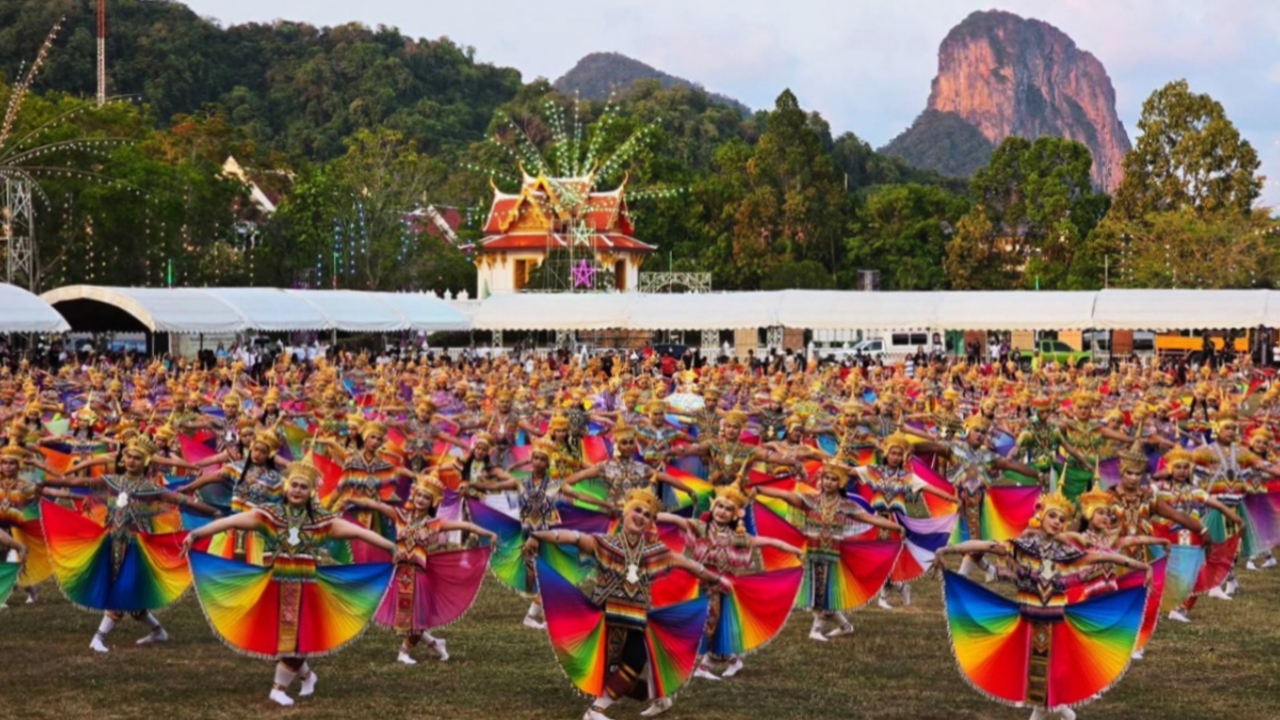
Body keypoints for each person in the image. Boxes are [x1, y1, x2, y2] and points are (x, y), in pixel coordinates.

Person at [182, 458, 398, 707]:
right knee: (281, 641)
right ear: (286, 488)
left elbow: (360, 532)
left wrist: (390, 547)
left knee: (296, 640)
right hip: (273, 586)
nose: (297, 490)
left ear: (311, 492)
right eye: (294, 485)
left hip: (306, 588)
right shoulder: (270, 516)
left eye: (303, 487)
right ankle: (308, 676)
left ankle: (279, 688)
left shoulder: (320, 522)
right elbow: (232, 521)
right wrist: (197, 533)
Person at [529, 489, 728, 720]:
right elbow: (571, 536)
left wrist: (715, 580)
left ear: (651, 523)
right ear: (625, 512)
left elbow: (689, 564)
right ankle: (657, 697)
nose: (641, 516)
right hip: (605, 615)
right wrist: (537, 535)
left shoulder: (655, 552)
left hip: (637, 617)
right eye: (637, 510)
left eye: (647, 514)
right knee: (615, 672)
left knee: (634, 661)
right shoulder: (604, 543)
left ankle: (596, 711)